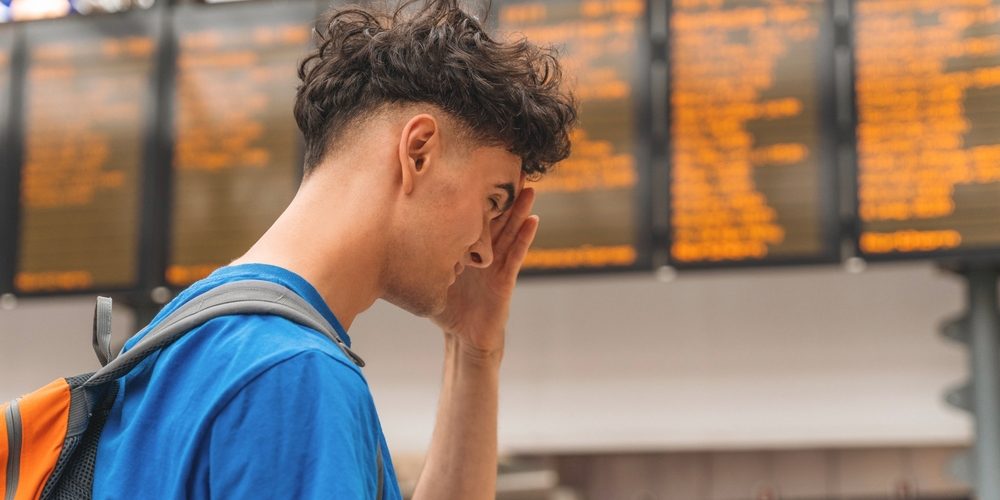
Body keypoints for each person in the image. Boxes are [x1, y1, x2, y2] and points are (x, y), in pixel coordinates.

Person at [92, 0, 576, 498]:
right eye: (492, 200)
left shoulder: (182, 342)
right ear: (418, 152)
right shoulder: (292, 374)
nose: (485, 252)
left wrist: (473, 352)